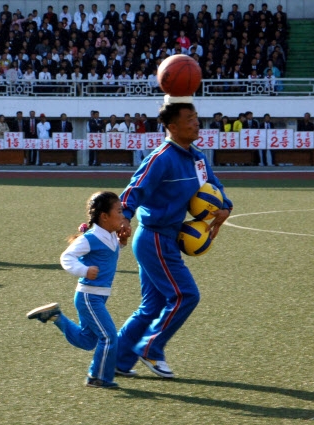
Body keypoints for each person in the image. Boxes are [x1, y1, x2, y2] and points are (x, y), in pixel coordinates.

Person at [116, 100, 233, 379]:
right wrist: (123, 219)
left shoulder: (197, 158)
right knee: (186, 295)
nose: (196, 123)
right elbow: (134, 190)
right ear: (172, 127)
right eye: (190, 119)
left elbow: (213, 185)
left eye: (196, 118)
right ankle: (151, 348)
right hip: (153, 237)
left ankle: (117, 360)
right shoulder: (161, 157)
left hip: (169, 237)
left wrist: (226, 205)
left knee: (152, 306)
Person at [27, 191, 130, 389]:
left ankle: (55, 316)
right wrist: (83, 270)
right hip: (89, 297)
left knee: (87, 340)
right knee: (109, 337)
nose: (123, 215)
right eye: (119, 211)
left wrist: (122, 244)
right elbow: (66, 258)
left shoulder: (109, 235)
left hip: (97, 297)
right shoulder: (89, 238)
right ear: (104, 216)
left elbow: (107, 254)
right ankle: (97, 377)